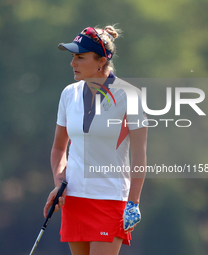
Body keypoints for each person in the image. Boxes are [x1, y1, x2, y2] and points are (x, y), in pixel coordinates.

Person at [43, 25, 148, 255]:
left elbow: (139, 154)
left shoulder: (130, 96)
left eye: (80, 57)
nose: (73, 63)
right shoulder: (68, 94)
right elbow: (59, 148)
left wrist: (134, 202)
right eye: (73, 57)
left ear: (101, 61)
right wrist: (59, 181)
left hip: (110, 199)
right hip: (75, 199)